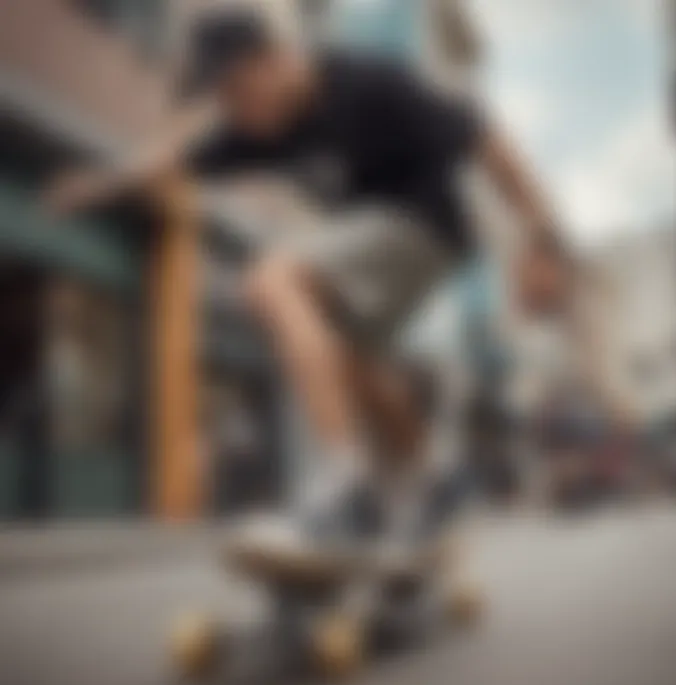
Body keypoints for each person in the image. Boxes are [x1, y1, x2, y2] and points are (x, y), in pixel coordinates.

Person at [46, 8, 563, 563]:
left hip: (424, 226)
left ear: (275, 61)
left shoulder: (368, 83)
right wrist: (94, 188)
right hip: (386, 246)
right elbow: (169, 163)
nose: (236, 113)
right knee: (350, 356)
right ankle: (435, 481)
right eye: (222, 101)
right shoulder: (255, 131)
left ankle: (347, 488)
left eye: (238, 89)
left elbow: (484, 138)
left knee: (271, 281)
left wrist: (542, 244)